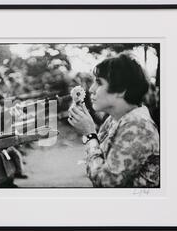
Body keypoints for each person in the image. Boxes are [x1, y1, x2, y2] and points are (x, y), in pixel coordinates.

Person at [68, 53, 159, 187]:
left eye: (99, 83)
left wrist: (89, 134)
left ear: (121, 90)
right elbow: (99, 156)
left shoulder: (138, 125)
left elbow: (106, 181)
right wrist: (88, 125)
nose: (91, 89)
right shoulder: (115, 118)